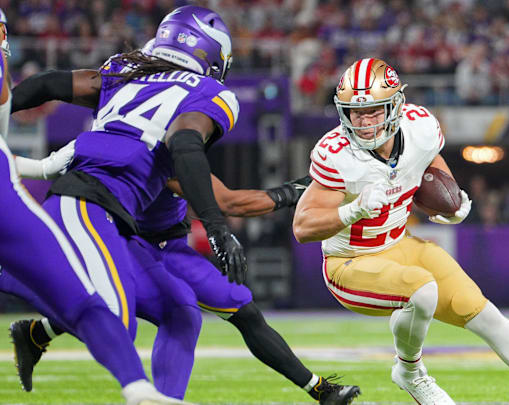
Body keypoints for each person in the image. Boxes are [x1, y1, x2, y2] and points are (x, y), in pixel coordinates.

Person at [5, 18, 360, 405]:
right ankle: (129, 385)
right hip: (111, 220)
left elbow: (49, 84)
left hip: (146, 235)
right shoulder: (190, 110)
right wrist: (255, 210)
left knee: (183, 314)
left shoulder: (124, 79)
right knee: (109, 311)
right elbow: (204, 171)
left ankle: (311, 391)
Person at [293, 58, 509, 404]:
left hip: (398, 243)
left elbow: (429, 163)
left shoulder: (418, 128)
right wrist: (352, 209)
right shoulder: (337, 154)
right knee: (422, 290)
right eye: (355, 113)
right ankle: (411, 372)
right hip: (350, 262)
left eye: (373, 110)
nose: (364, 122)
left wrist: (451, 198)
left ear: (395, 105)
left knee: (482, 312)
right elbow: (302, 227)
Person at [0, 8, 189, 405]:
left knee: (90, 299)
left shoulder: (121, 119)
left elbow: (48, 152)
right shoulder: (166, 108)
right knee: (96, 301)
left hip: (92, 211)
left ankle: (138, 390)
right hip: (87, 206)